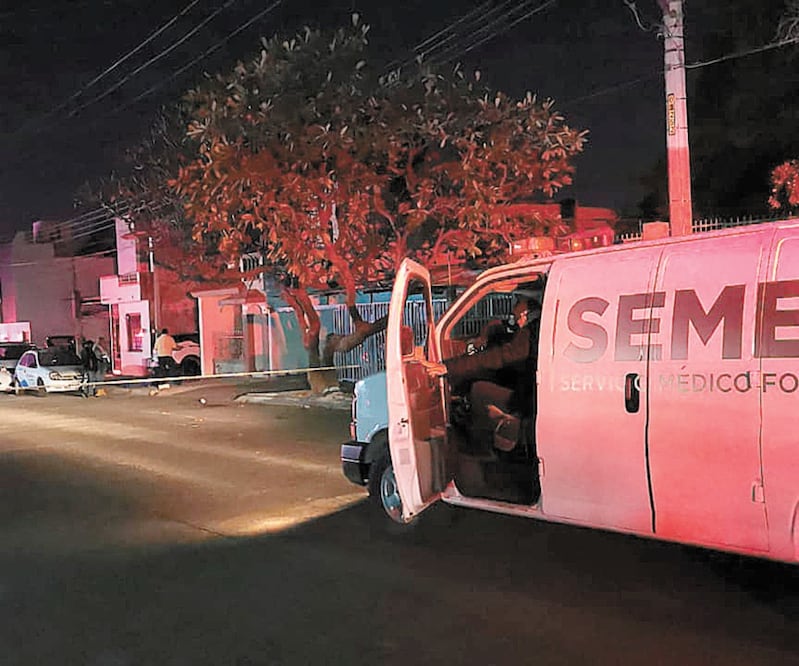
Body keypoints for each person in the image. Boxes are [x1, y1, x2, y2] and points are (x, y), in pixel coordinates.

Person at [424, 289, 542, 454]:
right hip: (528, 392)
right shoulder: (537, 330)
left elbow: (500, 355)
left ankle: (482, 450)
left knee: (478, 390)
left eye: (516, 319)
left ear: (524, 314)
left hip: (528, 398)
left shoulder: (530, 333)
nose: (516, 324)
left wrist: (449, 367)